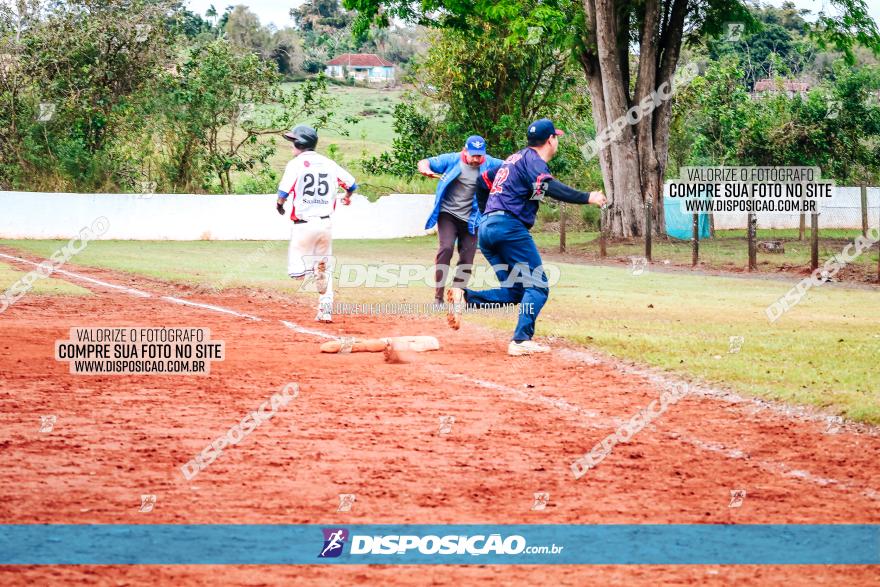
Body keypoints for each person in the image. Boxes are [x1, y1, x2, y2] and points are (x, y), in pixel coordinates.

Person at [446, 118, 607, 356]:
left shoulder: (515, 158)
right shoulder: (534, 160)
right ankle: (521, 340)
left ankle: (465, 297)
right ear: (551, 139)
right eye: (557, 137)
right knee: (538, 286)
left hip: (489, 229)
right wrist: (587, 197)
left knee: (516, 291)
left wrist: (487, 213)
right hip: (508, 228)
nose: (557, 141)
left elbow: (483, 182)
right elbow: (548, 185)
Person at [276, 124, 357, 323]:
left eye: (293, 141)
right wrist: (347, 196)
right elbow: (352, 184)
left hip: (303, 225)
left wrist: (280, 205)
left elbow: (283, 193)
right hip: (325, 224)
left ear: (300, 143)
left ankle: (310, 271)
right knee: (325, 268)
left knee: (296, 272)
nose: (291, 145)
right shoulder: (329, 163)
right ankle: (325, 310)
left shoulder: (295, 164)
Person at [417, 136, 504, 304]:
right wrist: (425, 169)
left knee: (467, 259)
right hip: (448, 214)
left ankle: (457, 297)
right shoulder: (451, 160)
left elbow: (511, 166)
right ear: (465, 150)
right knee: (446, 249)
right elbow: (424, 162)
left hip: (473, 219)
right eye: (474, 155)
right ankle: (438, 297)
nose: (477, 159)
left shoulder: (490, 163)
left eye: (480, 155)